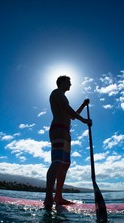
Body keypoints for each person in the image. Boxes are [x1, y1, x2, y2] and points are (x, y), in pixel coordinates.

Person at [44, 75, 92, 209]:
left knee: (65, 164)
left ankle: (58, 197)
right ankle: (48, 197)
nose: (70, 84)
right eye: (68, 82)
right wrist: (85, 121)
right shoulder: (56, 93)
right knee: (57, 162)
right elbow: (67, 109)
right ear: (61, 82)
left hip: (66, 133)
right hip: (58, 130)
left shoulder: (64, 97)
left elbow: (72, 115)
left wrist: (83, 105)